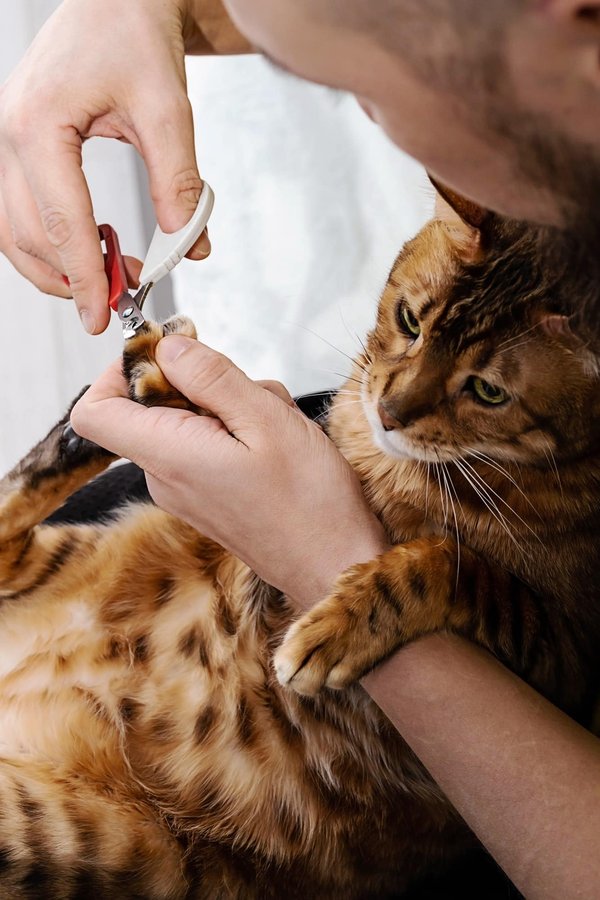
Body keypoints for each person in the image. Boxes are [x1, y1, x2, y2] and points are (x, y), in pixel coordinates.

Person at [1, 1, 599, 897]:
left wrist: (326, 562)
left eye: (361, 90)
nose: (366, 119)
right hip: (155, 641)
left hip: (245, 807)